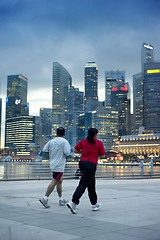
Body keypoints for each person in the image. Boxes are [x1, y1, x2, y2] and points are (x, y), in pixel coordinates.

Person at [67, 128, 105, 214]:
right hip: (91, 165)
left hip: (82, 163)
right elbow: (102, 155)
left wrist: (83, 152)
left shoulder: (83, 141)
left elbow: (75, 150)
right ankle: (73, 202)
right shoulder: (98, 143)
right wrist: (94, 154)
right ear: (96, 135)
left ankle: (94, 204)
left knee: (91, 184)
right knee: (83, 184)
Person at [39, 127, 71, 208]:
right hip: (59, 165)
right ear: (64, 133)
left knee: (60, 181)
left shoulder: (51, 141)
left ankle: (61, 199)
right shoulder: (64, 141)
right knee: (54, 181)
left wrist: (52, 154)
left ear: (56, 133)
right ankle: (45, 198)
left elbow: (45, 150)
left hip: (53, 163)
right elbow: (67, 153)